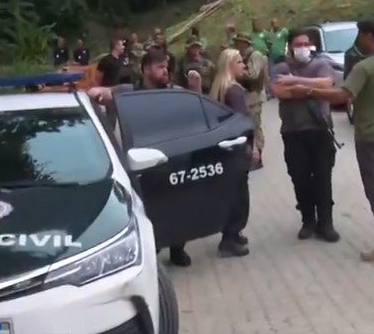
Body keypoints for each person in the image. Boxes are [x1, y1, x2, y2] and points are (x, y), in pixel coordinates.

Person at [284, 19, 374, 262]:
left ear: (367, 35)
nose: (357, 40)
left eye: (360, 34)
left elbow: (342, 95)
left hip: (370, 135)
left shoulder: (364, 67)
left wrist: (309, 92)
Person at [88, 48, 201, 267]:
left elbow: (194, 108)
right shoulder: (130, 92)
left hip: (172, 156)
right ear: (146, 69)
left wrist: (195, 88)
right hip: (142, 159)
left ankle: (177, 248)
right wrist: (97, 91)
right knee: (147, 206)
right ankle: (152, 247)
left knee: (178, 204)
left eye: (166, 66)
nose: (165, 71)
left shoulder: (172, 91)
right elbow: (106, 93)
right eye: (160, 67)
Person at [271, 29, 340, 243]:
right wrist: (311, 87)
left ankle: (326, 223)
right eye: (298, 44)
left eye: (306, 44)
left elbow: (327, 84)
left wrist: (295, 82)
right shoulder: (281, 67)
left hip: (319, 130)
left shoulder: (320, 64)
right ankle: (308, 220)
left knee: (322, 177)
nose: (303, 48)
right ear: (290, 46)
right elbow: (279, 91)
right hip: (293, 132)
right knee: (300, 178)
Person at [210, 49, 258, 257]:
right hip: (237, 148)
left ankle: (232, 233)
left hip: (225, 148)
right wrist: (252, 146)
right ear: (230, 65)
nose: (243, 66)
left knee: (230, 193)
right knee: (239, 196)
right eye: (239, 62)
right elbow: (242, 122)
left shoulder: (219, 89)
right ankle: (230, 237)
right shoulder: (234, 90)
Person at [232, 33, 268, 169]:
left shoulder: (255, 56)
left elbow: (253, 74)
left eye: (239, 42)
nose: (236, 45)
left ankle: (258, 156)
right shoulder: (242, 56)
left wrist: (237, 73)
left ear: (245, 43)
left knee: (255, 126)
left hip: (254, 96)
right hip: (246, 96)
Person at [266, 18, 289, 99]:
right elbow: (268, 43)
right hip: (272, 55)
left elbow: (288, 41)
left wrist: (287, 51)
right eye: (272, 23)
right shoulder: (270, 33)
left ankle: (285, 90)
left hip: (282, 55)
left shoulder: (284, 31)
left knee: (284, 73)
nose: (274, 24)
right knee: (272, 74)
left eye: (275, 23)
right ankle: (272, 92)